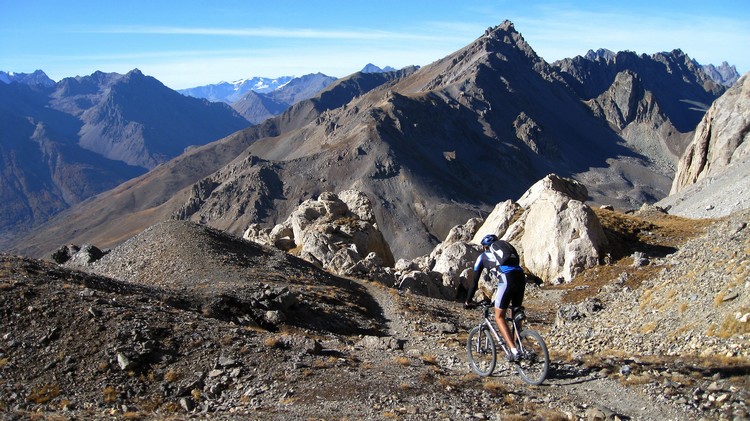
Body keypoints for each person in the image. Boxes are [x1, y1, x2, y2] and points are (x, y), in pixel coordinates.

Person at [465, 234, 526, 361]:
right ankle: (520, 346)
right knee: (515, 312)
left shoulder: (483, 257)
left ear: (484, 247)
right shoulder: (506, 251)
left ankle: (514, 351)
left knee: (499, 316)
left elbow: (474, 281)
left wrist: (468, 301)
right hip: (520, 277)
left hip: (506, 279)